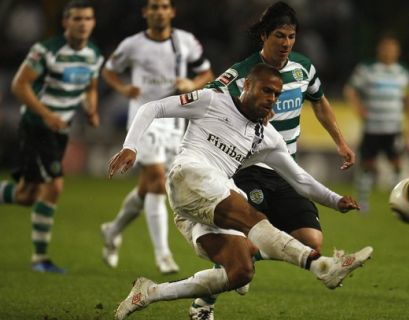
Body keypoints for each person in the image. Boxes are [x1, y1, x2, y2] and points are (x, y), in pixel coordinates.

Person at [108, 64, 373, 320]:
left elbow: (300, 179)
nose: (272, 99)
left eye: (276, 95)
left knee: (241, 271)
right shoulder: (212, 99)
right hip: (190, 173)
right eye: (266, 91)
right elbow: (153, 107)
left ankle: (149, 293)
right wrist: (131, 146)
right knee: (252, 218)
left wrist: (335, 201)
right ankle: (322, 266)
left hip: (209, 196)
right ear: (247, 85)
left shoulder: (267, 136)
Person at [190, 2, 356, 318]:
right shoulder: (242, 73)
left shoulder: (303, 68)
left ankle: (243, 261)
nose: (286, 43)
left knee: (312, 241)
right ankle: (204, 303)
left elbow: (320, 103)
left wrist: (341, 142)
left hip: (286, 170)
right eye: (280, 35)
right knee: (247, 240)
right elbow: (208, 103)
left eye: (292, 36)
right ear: (265, 36)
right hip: (247, 169)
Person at [100, 0, 214, 274]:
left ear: (172, 12)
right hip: (144, 120)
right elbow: (108, 70)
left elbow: (206, 73)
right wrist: (123, 88)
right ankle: (163, 255)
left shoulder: (185, 42)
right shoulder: (132, 45)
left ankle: (112, 229)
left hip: (174, 121)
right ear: (145, 13)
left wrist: (192, 84)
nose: (159, 11)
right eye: (154, 7)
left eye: (164, 6)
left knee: (150, 185)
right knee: (154, 180)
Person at [0, 0, 103, 273]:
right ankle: (40, 260)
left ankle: (40, 259)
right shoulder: (45, 51)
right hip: (36, 126)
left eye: (87, 19)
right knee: (54, 186)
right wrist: (46, 114)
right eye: (77, 19)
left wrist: (91, 108)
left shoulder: (93, 54)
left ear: (93, 23)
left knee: (25, 195)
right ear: (65, 22)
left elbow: (90, 86)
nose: (83, 24)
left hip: (61, 128)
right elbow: (19, 86)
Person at [344, 34, 409, 212]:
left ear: (398, 51)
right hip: (373, 127)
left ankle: (400, 202)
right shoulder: (367, 69)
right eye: (386, 48)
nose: (389, 51)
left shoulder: (404, 73)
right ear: (379, 50)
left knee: (397, 163)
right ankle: (363, 203)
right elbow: (350, 90)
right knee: (368, 164)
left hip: (394, 127)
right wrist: (358, 107)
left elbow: (407, 99)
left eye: (392, 48)